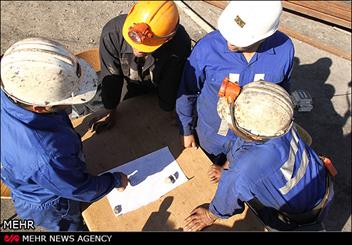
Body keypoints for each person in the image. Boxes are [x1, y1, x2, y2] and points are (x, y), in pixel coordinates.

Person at [0, 38, 129, 231]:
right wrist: (114, 180)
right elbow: (78, 187)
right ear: (40, 107)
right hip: (50, 204)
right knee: (70, 228)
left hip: (28, 171)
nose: (69, 106)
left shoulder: (14, 84)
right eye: (65, 101)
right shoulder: (46, 156)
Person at [183, 81, 334, 231]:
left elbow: (229, 197)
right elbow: (243, 142)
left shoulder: (246, 168)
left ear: (253, 134)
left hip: (301, 213)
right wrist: (225, 168)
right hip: (321, 183)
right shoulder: (277, 123)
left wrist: (210, 215)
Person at [176, 1, 294, 166]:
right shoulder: (207, 48)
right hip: (210, 134)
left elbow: (281, 94)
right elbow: (188, 90)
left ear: (264, 36)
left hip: (252, 142)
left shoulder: (284, 50)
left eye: (239, 40)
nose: (230, 42)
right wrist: (186, 130)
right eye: (228, 34)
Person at [85, 1, 191, 133]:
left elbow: (170, 82)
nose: (138, 49)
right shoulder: (112, 34)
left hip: (158, 90)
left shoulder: (179, 43)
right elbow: (111, 78)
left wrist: (167, 110)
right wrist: (110, 110)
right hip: (127, 84)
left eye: (147, 46)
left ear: (167, 39)